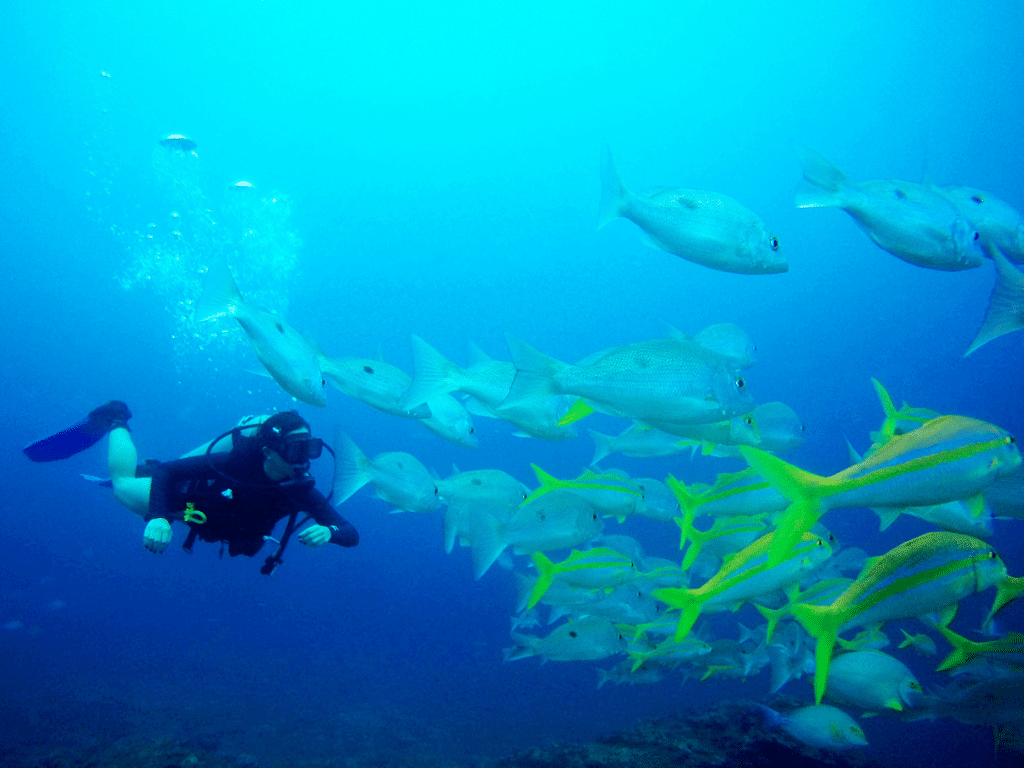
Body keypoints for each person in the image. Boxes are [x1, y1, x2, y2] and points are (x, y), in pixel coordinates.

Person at [24, 402, 358, 574]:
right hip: (184, 503)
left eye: (310, 449)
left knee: (152, 474)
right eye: (296, 450)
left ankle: (142, 464)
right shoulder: (235, 464)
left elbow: (350, 532)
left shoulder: (298, 490)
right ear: (269, 450)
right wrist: (157, 517)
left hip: (210, 519)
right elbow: (169, 473)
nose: (305, 460)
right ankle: (116, 419)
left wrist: (330, 533)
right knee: (124, 487)